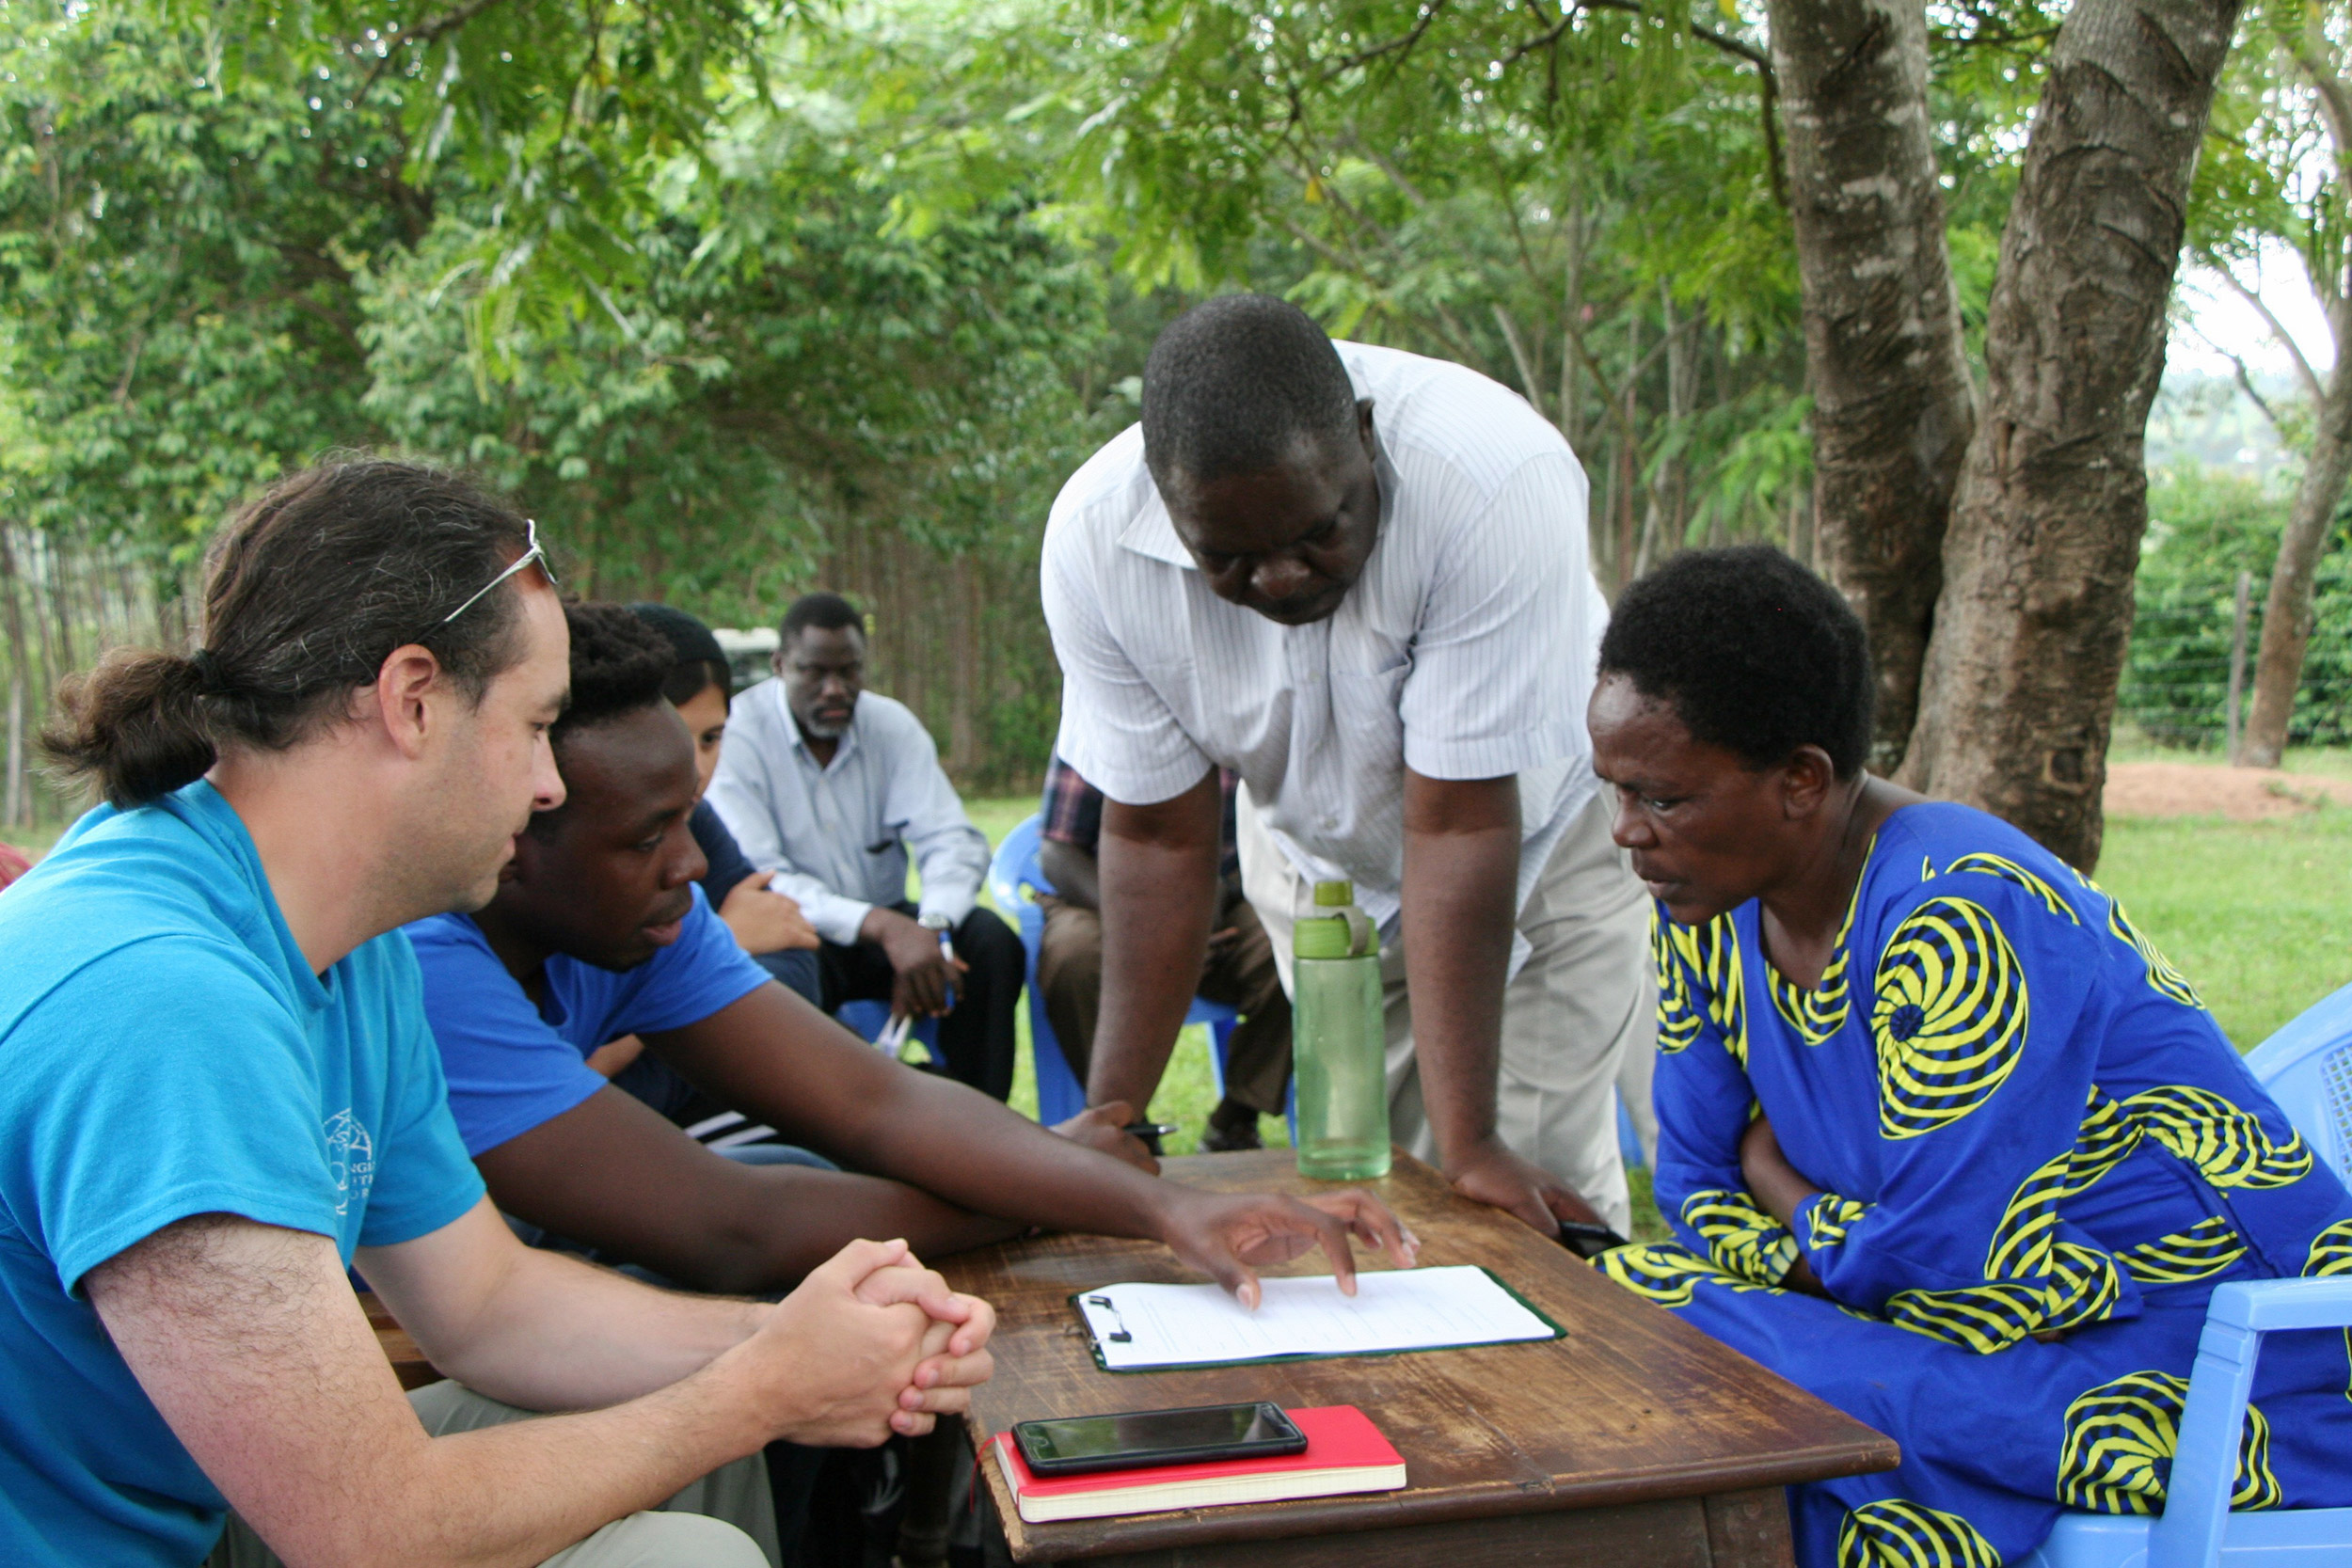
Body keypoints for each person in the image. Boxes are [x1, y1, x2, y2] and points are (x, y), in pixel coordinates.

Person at [0, 460, 993, 1568]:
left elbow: (485, 1302)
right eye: (536, 724)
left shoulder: (348, 943)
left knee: (692, 1431)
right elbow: (366, 1528)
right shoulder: (162, 997)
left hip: (209, 1510)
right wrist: (757, 1389)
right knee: (685, 1543)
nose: (549, 784)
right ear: (412, 697)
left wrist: (786, 1344)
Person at [1587, 546, 2352, 1568]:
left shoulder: (1960, 913)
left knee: (1711, 1371)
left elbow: (1955, 1272)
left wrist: (1775, 1181)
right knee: (1639, 1321)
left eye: (1662, 798)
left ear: (1801, 780)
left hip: (2213, 1360)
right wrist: (1813, 1244)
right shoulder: (1705, 902)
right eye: (1616, 791)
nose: (1625, 832)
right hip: (1979, 1334)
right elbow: (1690, 1186)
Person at [407, 600, 1418, 1302]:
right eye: (645, 838)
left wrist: (1156, 1203)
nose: (690, 865)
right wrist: (1049, 1194)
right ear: (514, 822)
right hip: (412, 1338)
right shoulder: (423, 964)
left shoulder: (647, 919)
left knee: (806, 1167)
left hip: (526, 1268)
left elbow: (877, 1100)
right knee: (757, 1276)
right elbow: (723, 1227)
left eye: (688, 822)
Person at [1042, 293, 1653, 1236]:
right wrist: (1111, 1124)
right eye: (1228, 559)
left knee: (1521, 1200)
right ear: (1166, 510)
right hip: (1315, 862)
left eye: (1316, 532)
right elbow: (1161, 838)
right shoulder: (1092, 541)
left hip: (1530, 852)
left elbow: (1459, 820)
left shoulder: (1492, 476)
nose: (1280, 579)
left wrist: (1478, 1142)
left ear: (1363, 437)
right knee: (1368, 1184)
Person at [709, 593, 1025, 1101]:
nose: (836, 690)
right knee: (777, 977)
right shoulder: (739, 734)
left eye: (850, 672)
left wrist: (930, 930)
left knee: (989, 943)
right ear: (780, 665)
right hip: (801, 932)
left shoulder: (890, 725)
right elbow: (764, 873)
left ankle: (980, 1114)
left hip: (894, 927)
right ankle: (833, 1119)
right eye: (815, 673)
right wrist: (882, 927)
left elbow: (951, 839)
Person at [1036, 752, 1292, 1151]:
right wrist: (1154, 930)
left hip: (1222, 897)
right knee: (1073, 958)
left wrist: (1199, 916)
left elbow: (1277, 844)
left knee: (1297, 946)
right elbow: (1058, 852)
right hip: (1102, 896)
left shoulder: (1246, 728)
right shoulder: (1102, 722)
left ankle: (1237, 1115)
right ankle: (1124, 1127)